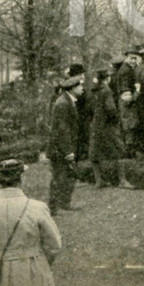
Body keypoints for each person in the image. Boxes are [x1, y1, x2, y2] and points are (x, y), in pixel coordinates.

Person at [0, 158, 61, 286]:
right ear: (22, 178)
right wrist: (38, 262)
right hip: (32, 270)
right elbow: (54, 245)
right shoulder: (37, 208)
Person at [90, 69, 131, 187]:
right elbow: (111, 109)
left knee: (95, 152)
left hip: (95, 125)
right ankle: (122, 181)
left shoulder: (94, 90)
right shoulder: (106, 90)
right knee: (119, 150)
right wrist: (115, 120)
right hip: (107, 125)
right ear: (107, 78)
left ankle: (99, 180)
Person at [48, 76, 81, 214]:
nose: (82, 88)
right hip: (60, 149)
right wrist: (68, 151)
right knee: (60, 176)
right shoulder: (63, 104)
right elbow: (62, 130)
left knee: (68, 175)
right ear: (73, 89)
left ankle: (65, 204)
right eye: (80, 86)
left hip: (63, 146)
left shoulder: (68, 101)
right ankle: (55, 207)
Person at [115, 49, 142, 158]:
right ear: (126, 57)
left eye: (135, 58)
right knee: (129, 127)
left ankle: (129, 153)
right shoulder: (125, 71)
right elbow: (126, 95)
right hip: (127, 103)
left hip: (127, 103)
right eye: (131, 58)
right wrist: (137, 91)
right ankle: (128, 154)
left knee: (129, 127)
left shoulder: (128, 69)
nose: (133, 61)